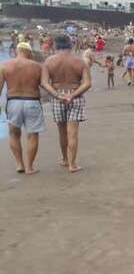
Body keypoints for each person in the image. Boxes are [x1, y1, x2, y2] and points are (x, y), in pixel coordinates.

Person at [41, 35, 91, 173]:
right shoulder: (80, 61)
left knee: (62, 132)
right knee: (72, 132)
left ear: (55, 46)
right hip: (75, 95)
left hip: (58, 96)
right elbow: (87, 83)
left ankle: (65, 159)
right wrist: (72, 95)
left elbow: (44, 83)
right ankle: (72, 164)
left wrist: (57, 95)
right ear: (71, 45)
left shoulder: (49, 61)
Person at [0, 42, 44, 175]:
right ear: (29, 52)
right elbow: (44, 84)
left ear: (17, 51)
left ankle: (20, 164)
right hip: (32, 102)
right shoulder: (36, 66)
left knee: (14, 134)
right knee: (32, 135)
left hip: (13, 102)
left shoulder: (4, 65)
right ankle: (29, 167)